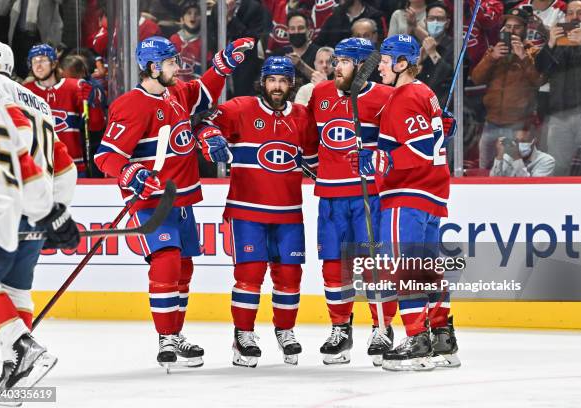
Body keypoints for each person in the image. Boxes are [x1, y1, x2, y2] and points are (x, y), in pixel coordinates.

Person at [94, 35, 254, 370]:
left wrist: (224, 63)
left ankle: (176, 333)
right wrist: (131, 173)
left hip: (182, 199)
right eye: (170, 63)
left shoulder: (177, 94)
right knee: (165, 262)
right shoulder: (131, 105)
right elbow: (106, 156)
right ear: (152, 67)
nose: (177, 67)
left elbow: (204, 89)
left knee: (184, 268)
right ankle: (165, 337)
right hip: (154, 204)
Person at [196, 56, 317, 367]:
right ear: (263, 82)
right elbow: (204, 122)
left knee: (290, 276)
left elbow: (317, 161)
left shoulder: (303, 116)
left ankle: (286, 331)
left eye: (283, 80)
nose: (277, 86)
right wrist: (210, 137)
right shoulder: (241, 108)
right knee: (249, 275)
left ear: (292, 84)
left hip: (289, 213)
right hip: (247, 210)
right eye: (272, 80)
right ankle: (243, 335)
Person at [348, 34, 458, 371]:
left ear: (401, 64)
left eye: (385, 59)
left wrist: (379, 159)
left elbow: (421, 149)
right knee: (426, 270)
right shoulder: (423, 92)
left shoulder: (406, 96)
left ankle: (417, 341)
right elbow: (432, 137)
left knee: (404, 268)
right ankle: (442, 338)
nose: (379, 65)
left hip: (407, 193)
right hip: (431, 194)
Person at [0, 87, 79, 392]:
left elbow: (16, 136)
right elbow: (64, 166)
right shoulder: (36, 102)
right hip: (32, 203)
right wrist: (53, 213)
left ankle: (22, 347)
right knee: (16, 290)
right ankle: (15, 372)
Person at [306, 37, 397, 366]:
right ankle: (340, 329)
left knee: (373, 266)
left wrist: (374, 159)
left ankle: (382, 327)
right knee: (334, 266)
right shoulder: (320, 94)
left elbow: (401, 144)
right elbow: (306, 139)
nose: (336, 66)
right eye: (336, 60)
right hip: (330, 197)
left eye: (343, 61)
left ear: (361, 65)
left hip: (368, 198)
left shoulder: (386, 97)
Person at [472, 7, 544, 169]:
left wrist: (523, 57)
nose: (512, 31)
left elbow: (538, 80)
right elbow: (476, 78)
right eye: (508, 27)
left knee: (515, 169)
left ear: (525, 30)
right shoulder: (494, 52)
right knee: (486, 169)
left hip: (518, 125)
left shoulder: (533, 52)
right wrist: (492, 58)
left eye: (517, 27)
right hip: (491, 122)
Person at [24, 44, 103, 176]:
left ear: (54, 63)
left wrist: (93, 103)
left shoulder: (75, 87)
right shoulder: (25, 91)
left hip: (73, 165)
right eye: (34, 61)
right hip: (39, 166)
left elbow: (96, 125)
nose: (38, 66)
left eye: (43, 60)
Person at [535, 0, 581, 176]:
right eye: (570, 13)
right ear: (565, 16)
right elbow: (541, 68)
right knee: (557, 167)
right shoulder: (557, 40)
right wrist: (550, 43)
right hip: (560, 115)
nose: (574, 17)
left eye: (580, 13)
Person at [418, 1, 456, 106]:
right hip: (419, 104)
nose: (435, 22)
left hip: (443, 105)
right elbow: (409, 77)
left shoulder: (456, 46)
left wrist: (433, 53)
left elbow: (450, 76)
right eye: (431, 18)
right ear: (425, 22)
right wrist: (418, 62)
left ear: (447, 23)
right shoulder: (418, 45)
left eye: (439, 19)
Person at [273, 11, 320, 84]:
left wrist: (301, 65)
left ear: (308, 30)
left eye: (300, 28)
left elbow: (325, 81)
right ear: (288, 31)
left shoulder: (319, 53)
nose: (296, 32)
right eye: (292, 28)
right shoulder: (278, 54)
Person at [490, 128, 555, 176]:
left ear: (534, 141)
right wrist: (499, 157)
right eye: (517, 141)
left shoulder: (547, 161)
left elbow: (532, 187)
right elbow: (493, 182)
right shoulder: (507, 157)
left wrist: (517, 159)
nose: (519, 144)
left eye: (523, 141)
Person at [170, 1, 203, 82]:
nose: (193, 16)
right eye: (189, 13)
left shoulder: (205, 41)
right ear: (182, 19)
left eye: (197, 13)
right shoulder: (174, 39)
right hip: (177, 86)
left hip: (197, 86)